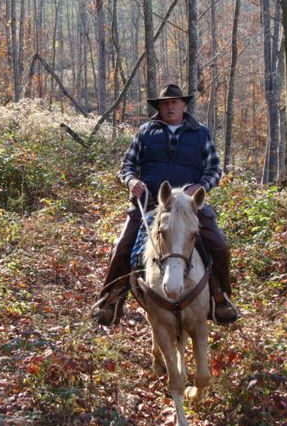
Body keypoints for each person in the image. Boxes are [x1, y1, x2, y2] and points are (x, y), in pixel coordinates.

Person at [95, 83, 238, 326]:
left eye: (174, 102)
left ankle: (220, 298)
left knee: (219, 245)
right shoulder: (145, 132)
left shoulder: (200, 133)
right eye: (165, 103)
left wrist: (200, 186)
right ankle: (110, 300)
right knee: (122, 246)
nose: (170, 106)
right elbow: (127, 166)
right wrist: (131, 181)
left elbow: (214, 169)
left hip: (189, 207)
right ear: (159, 107)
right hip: (150, 203)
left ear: (183, 105)